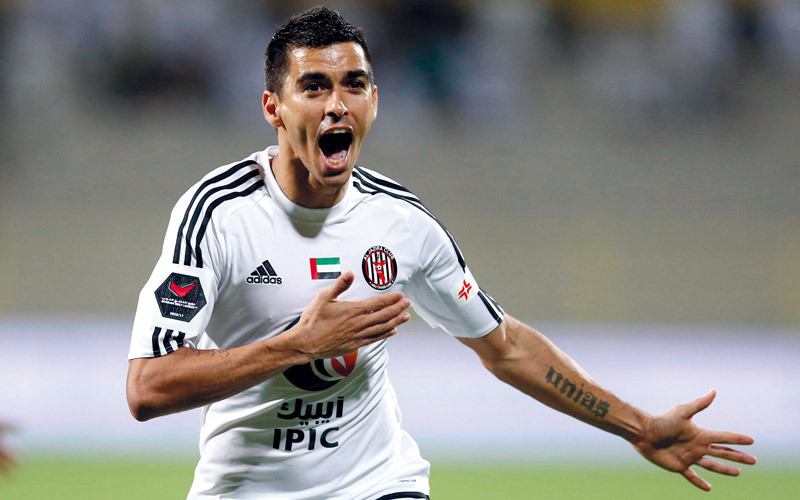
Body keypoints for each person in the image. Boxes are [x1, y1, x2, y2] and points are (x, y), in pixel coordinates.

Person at [126, 6, 756, 499]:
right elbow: (147, 387)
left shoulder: (401, 222)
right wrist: (297, 345)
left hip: (376, 485)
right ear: (274, 107)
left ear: (374, 101)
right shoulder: (217, 214)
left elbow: (505, 346)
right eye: (314, 87)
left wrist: (640, 426)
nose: (337, 104)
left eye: (354, 85)